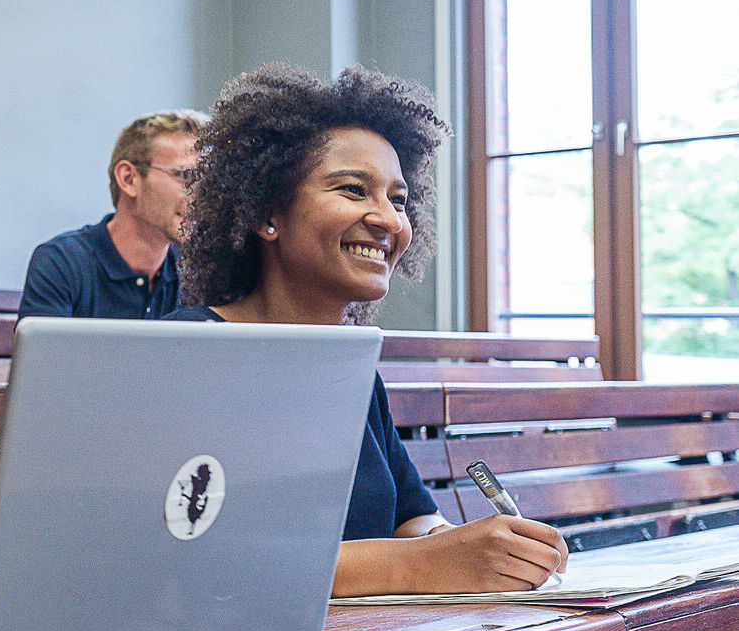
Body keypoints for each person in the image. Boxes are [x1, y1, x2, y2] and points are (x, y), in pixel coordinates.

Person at [168, 63, 568, 597]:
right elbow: (207, 556)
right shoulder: (189, 353)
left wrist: (481, 547)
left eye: (398, 200)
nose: (388, 220)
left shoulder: (353, 371)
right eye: (355, 190)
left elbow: (414, 519)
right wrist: (427, 563)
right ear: (268, 215)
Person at [18, 109, 207, 320]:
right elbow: (42, 353)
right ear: (128, 179)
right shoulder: (62, 262)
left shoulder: (197, 271)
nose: (202, 194)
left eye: (207, 179)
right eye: (186, 175)